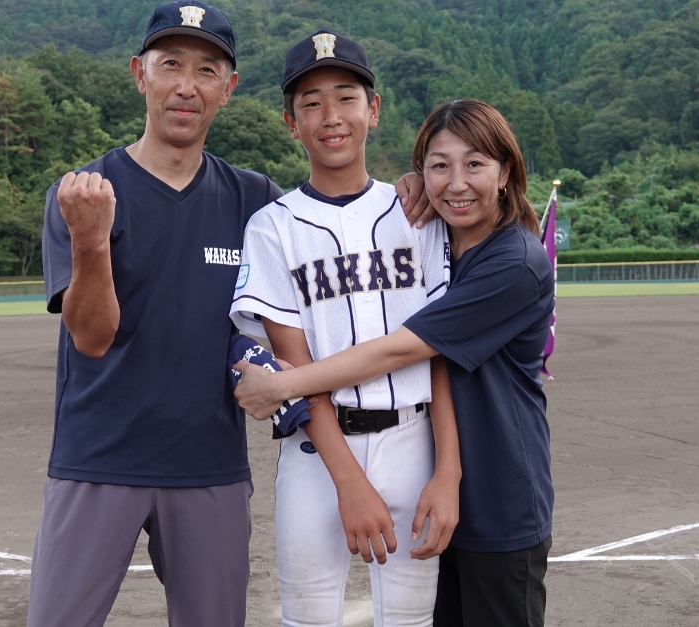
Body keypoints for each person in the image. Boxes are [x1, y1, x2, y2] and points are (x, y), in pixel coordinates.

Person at [29, 2, 434, 625]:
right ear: (140, 73)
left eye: (207, 70)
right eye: (170, 65)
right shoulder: (87, 192)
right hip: (99, 460)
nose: (186, 85)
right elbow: (91, 336)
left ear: (229, 87)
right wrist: (90, 240)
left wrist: (417, 186)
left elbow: (332, 217)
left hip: (209, 466)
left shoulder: (254, 202)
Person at [234, 98, 554, 627]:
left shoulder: (513, 261)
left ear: (505, 173)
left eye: (476, 164)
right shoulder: (438, 230)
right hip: (435, 481)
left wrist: (282, 385)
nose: (457, 182)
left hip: (497, 490)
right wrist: (415, 185)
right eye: (439, 166)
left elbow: (405, 349)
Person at [229, 31, 461, 627]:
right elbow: (294, 365)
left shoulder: (420, 214)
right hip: (317, 450)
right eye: (311, 103)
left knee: (412, 620)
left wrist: (447, 471)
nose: (331, 116)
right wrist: (349, 481)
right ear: (291, 123)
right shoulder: (272, 227)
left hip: (414, 440)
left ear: (373, 110)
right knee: (307, 618)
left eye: (346, 97)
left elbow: (440, 354)